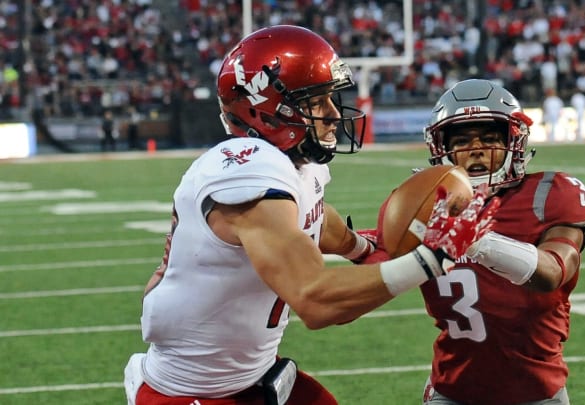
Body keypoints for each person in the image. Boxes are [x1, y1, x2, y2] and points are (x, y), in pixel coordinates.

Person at [122, 25, 491, 405]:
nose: (333, 115)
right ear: (264, 110)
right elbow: (316, 302)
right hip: (191, 392)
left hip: (253, 373)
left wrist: (363, 248)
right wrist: (431, 259)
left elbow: (315, 215)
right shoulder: (247, 173)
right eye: (316, 102)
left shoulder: (295, 167)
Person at [362, 79, 585, 405]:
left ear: (514, 141)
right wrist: (350, 244)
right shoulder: (418, 204)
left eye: (489, 138)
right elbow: (378, 268)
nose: (476, 148)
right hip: (452, 388)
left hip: (537, 391)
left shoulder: (549, 194)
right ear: (440, 148)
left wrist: (474, 239)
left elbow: (552, 272)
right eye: (461, 140)